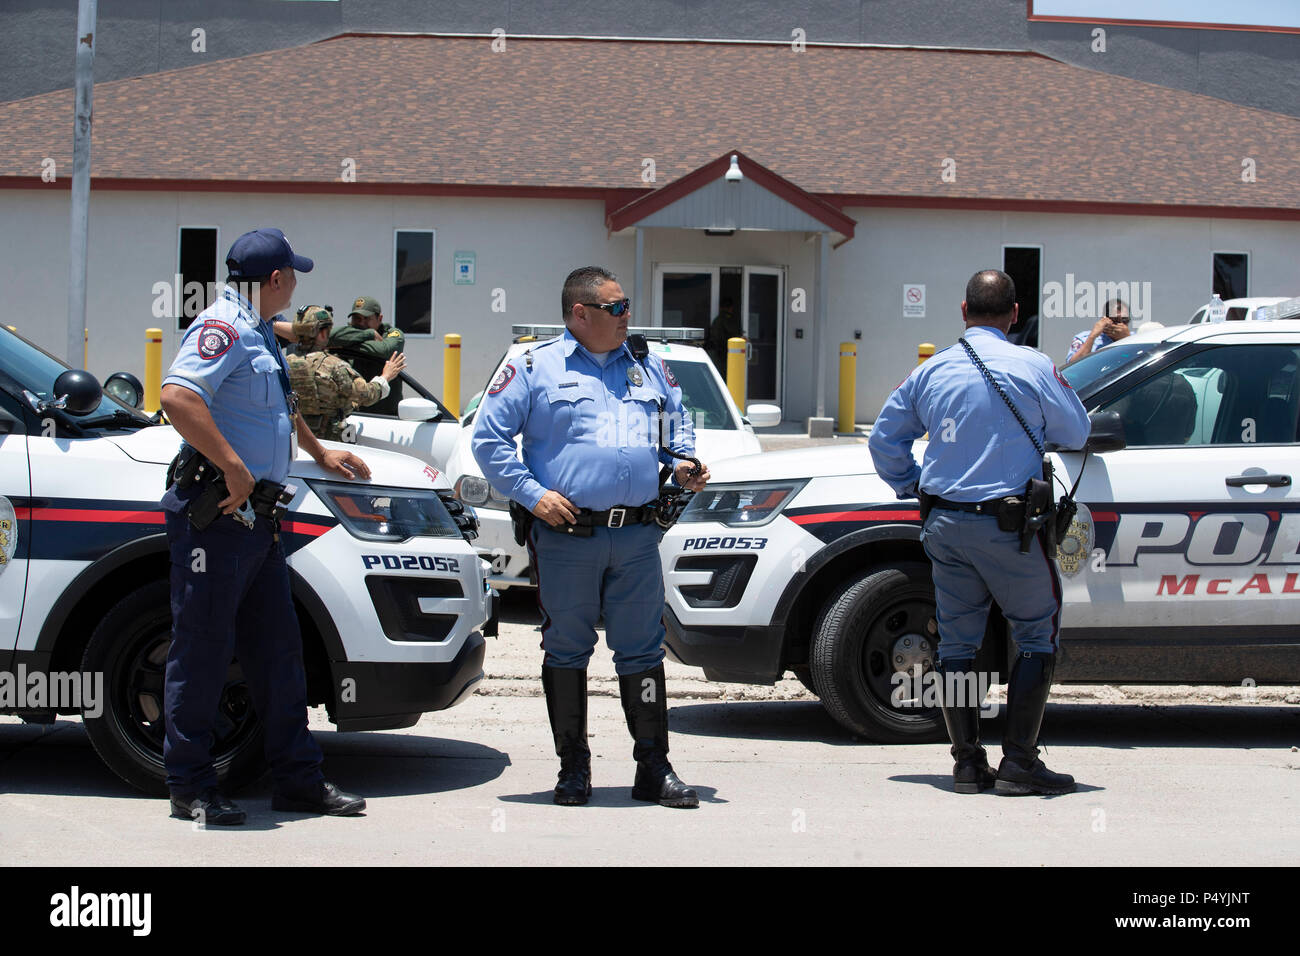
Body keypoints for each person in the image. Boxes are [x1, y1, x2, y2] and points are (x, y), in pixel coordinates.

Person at [471, 266, 711, 808]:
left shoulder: (647, 365)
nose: (628, 316)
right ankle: (573, 769)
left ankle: (653, 767)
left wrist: (685, 463)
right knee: (567, 649)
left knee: (643, 651)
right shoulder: (533, 366)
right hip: (568, 534)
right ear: (581, 313)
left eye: (628, 306)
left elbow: (679, 427)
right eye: (617, 307)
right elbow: (488, 441)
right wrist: (533, 495)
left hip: (637, 535)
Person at [160, 228, 371, 825]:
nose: (298, 284)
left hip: (257, 522)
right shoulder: (223, 327)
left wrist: (319, 452)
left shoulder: (256, 329)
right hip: (219, 519)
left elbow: (281, 405)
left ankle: (298, 781)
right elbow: (178, 397)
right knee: (202, 653)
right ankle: (191, 786)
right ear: (276, 280)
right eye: (294, 274)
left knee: (278, 655)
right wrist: (232, 467)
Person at [868, 269, 1091, 796]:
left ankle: (968, 764)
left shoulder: (932, 371)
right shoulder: (1033, 365)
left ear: (963, 312)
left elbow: (884, 440)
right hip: (1010, 529)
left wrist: (913, 485)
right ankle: (1019, 764)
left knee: (957, 646)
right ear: (1015, 315)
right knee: (1037, 634)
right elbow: (1077, 431)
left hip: (945, 524)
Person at [286, 305, 406, 441]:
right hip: (330, 444)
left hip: (297, 440)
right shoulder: (334, 366)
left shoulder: (283, 364)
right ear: (324, 333)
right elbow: (366, 395)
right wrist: (385, 376)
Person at [329, 296, 406, 415]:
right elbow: (329, 336)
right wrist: (369, 334)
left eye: (366, 318)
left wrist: (346, 345)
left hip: (387, 417)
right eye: (356, 318)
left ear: (379, 318)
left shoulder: (392, 334)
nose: (361, 323)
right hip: (353, 416)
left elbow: (384, 350)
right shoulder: (348, 332)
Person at [1063, 297, 1130, 366]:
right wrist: (1092, 337)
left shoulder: (1136, 338)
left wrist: (1127, 339)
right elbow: (1072, 366)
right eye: (1116, 320)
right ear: (1105, 319)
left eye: (1124, 320)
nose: (1121, 324)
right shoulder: (1083, 338)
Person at [705, 296, 741, 374]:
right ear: (730, 308)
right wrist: (740, 338)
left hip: (718, 353)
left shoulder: (718, 320)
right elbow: (728, 337)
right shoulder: (727, 320)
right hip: (721, 354)